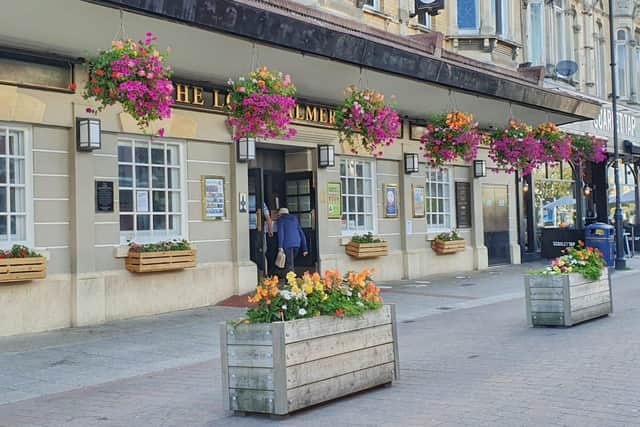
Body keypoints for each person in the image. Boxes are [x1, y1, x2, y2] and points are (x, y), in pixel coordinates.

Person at [277, 207, 308, 273]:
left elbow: (281, 233)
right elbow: (301, 233)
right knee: (290, 262)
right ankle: (288, 278)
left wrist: (280, 246)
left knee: (289, 263)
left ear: (280, 214)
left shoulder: (281, 220)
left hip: (287, 245)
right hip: (297, 244)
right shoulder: (295, 219)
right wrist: (305, 248)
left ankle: (290, 281)